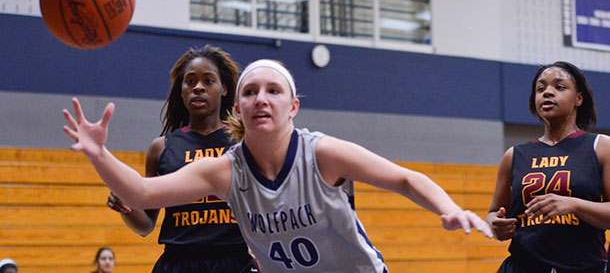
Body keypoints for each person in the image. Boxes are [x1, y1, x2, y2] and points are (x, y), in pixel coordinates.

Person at [63, 59, 493, 272]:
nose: (261, 99)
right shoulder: (225, 170)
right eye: (251, 92)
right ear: (239, 107)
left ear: (293, 107)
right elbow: (141, 195)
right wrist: (99, 155)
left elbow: (404, 178)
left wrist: (448, 208)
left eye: (273, 90)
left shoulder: (322, 154)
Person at [104, 46, 257, 273]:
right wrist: (127, 208)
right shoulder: (161, 148)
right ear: (182, 90)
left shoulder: (244, 143)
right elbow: (146, 225)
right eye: (190, 81)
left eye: (208, 81)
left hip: (233, 261)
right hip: (178, 263)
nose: (198, 87)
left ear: (224, 89)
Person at [487, 61, 610, 272]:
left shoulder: (601, 147)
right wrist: (495, 225)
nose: (548, 93)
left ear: (579, 98)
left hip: (583, 267)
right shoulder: (514, 155)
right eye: (541, 89)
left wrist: (574, 205)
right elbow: (493, 214)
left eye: (559, 87)